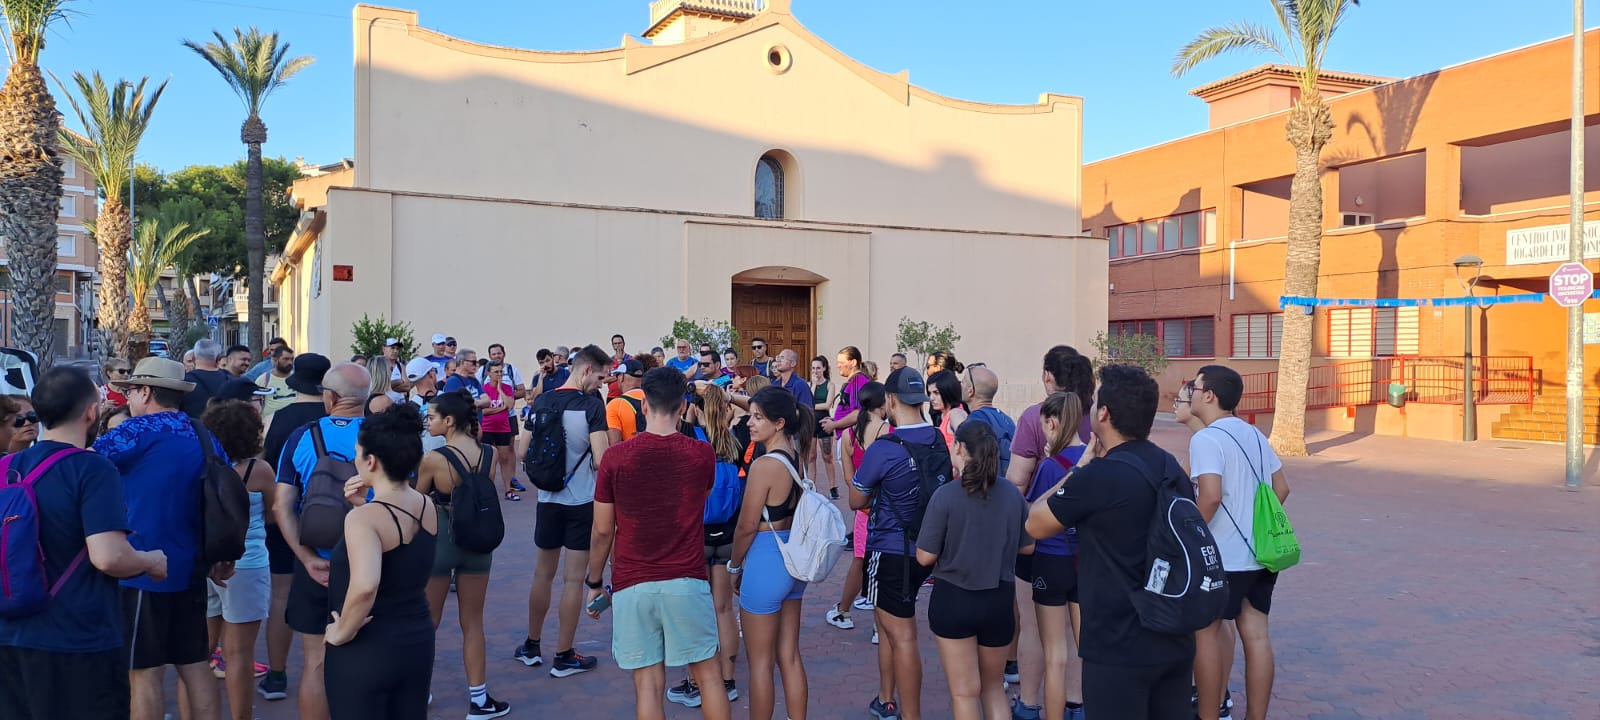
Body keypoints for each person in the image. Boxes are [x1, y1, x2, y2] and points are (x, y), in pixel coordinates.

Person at [1026, 364, 1194, 718]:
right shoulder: (1169, 466)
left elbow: (1036, 523)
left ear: (1103, 413)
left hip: (1117, 642)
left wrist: (1078, 469)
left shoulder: (1100, 474)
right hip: (1173, 631)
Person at [0, 367, 167, 720]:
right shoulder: (92, 469)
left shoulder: (7, 467)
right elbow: (108, 557)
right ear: (91, 413)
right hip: (78, 638)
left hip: (11, 635)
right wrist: (150, 561)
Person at [585, 367, 731, 720]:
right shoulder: (701, 454)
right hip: (687, 578)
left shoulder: (615, 459)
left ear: (644, 406)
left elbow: (603, 530)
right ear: (682, 406)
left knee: (648, 685)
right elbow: (702, 498)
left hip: (633, 582)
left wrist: (593, 583)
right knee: (709, 677)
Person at [94, 356, 223, 720]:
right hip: (192, 566)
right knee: (195, 665)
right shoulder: (202, 434)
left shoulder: (135, 431)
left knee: (144, 674)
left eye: (131, 390)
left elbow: (85, 465)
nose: (128, 398)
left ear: (146, 391)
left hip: (141, 568)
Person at [322, 405, 438, 720]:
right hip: (416, 641)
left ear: (371, 461)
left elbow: (365, 585)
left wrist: (341, 632)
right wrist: (365, 503)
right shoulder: (425, 504)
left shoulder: (364, 519)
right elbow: (400, 551)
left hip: (368, 649)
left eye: (357, 453)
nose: (354, 460)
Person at [1188, 366, 1290, 720]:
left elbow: (1210, 496)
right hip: (1261, 554)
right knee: (1257, 637)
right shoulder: (1255, 435)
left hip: (1222, 558)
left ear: (1210, 395)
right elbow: (1281, 488)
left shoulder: (1206, 439)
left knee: (1207, 635)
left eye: (1194, 386)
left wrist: (1188, 535)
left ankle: (1208, 714)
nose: (1190, 392)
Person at [273, 363, 373, 720]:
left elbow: (281, 504)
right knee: (370, 662)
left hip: (318, 561)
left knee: (316, 663)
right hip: (374, 564)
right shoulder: (386, 436)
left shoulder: (302, 436)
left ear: (329, 398)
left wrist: (305, 558)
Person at [916, 421, 1032, 720]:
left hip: (954, 600)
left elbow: (925, 556)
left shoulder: (946, 495)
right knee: (993, 688)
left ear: (959, 448)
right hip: (998, 599)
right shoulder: (1011, 494)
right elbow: (1028, 547)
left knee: (964, 692)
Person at [850, 367, 944, 720]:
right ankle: (884, 696)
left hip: (889, 549)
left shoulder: (885, 447)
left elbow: (856, 500)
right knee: (887, 626)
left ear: (890, 400)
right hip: (926, 545)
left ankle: (908, 713)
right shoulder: (937, 438)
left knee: (901, 634)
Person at [515, 345, 612, 676]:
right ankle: (564, 654)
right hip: (580, 500)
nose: (602, 384)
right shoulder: (591, 406)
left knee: (542, 574)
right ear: (586, 370)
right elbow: (602, 458)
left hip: (547, 499)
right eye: (600, 376)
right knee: (573, 580)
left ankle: (531, 644)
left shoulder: (542, 400)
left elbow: (522, 450)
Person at [415, 391, 509, 719]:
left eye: (432, 417)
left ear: (449, 420)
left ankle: (417, 691)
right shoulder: (489, 454)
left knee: (429, 621)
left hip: (442, 541)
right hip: (478, 544)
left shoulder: (434, 459)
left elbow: (416, 499)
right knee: (473, 622)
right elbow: (482, 490)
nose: (428, 422)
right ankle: (479, 698)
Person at [729, 386, 814, 720]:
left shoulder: (764, 465)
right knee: (789, 656)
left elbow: (746, 526)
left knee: (760, 665)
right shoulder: (796, 457)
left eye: (758, 417)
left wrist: (735, 566)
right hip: (793, 558)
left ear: (779, 423)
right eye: (750, 415)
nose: (750, 422)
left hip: (766, 559)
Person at [256, 352, 331, 702]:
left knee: (281, 596)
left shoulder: (280, 419)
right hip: (335, 522)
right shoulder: (338, 417)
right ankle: (330, 669)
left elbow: (266, 465)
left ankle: (277, 674)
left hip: (286, 520)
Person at [666, 384, 744, 708]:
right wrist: (725, 397)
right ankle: (727, 680)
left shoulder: (688, 439)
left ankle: (694, 682)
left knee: (695, 610)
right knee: (724, 609)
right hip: (727, 536)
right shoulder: (736, 441)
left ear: (694, 409)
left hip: (695, 535)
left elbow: (674, 416)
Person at [200, 400, 279, 720]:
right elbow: (274, 514)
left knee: (198, 653)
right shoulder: (258, 470)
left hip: (205, 562)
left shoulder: (201, 465)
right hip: (246, 564)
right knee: (239, 654)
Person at [1015, 392, 1090, 720]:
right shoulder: (1091, 461)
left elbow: (1033, 514)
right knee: (1084, 648)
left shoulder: (1049, 467)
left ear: (1052, 422)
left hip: (1050, 560)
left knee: (1055, 656)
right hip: (1083, 562)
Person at [825, 381, 886, 634]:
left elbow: (850, 479)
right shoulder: (888, 431)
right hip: (887, 507)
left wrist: (862, 500)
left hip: (864, 507)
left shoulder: (849, 435)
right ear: (884, 404)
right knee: (886, 564)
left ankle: (844, 611)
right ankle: (878, 628)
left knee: (860, 561)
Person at [1008, 346, 1095, 494]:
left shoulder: (1035, 417)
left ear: (1047, 376)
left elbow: (1017, 483)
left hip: (1046, 508)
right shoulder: (1098, 414)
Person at [820, 346, 870, 478]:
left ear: (853, 362)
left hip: (852, 438)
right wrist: (834, 421)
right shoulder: (853, 381)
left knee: (854, 479)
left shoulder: (857, 381)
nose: (838, 366)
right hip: (846, 436)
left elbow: (858, 412)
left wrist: (834, 425)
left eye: (841, 362)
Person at [481, 361, 522, 500]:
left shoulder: (507, 388)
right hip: (487, 428)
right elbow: (484, 411)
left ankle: (508, 489)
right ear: (489, 373)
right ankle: (488, 491)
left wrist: (500, 390)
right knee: (488, 459)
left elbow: (510, 405)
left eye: (500, 372)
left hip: (503, 428)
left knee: (504, 458)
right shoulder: (484, 389)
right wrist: (500, 408)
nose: (499, 375)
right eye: (496, 372)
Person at [807, 356, 837, 496]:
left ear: (824, 368)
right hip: (811, 421)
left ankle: (833, 486)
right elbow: (808, 400)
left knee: (827, 455)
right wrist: (813, 385)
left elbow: (827, 404)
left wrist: (812, 406)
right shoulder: (809, 384)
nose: (815, 371)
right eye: (813, 368)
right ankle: (812, 485)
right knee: (811, 456)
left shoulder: (830, 385)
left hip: (824, 421)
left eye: (818, 368)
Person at [183, 339, 233, 418]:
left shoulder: (184, 381)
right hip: (224, 428)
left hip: (193, 428)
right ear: (218, 358)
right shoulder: (231, 381)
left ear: (193, 357)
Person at [605, 358, 650, 444]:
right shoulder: (655, 400)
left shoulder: (615, 405)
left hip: (631, 455)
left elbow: (614, 444)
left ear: (621, 377)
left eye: (617, 375)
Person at [928, 370, 967, 451]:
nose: (931, 398)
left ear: (948, 391)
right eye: (930, 393)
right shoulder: (942, 415)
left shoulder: (955, 413)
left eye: (936, 393)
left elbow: (970, 439)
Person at [256, 345, 297, 420]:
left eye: (292, 359)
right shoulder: (264, 380)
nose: (290, 362)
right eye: (286, 359)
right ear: (275, 360)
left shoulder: (297, 378)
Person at [604, 334, 631, 400]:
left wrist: (620, 362)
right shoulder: (609, 362)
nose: (618, 345)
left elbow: (630, 378)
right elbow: (604, 380)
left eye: (619, 343)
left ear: (624, 344)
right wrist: (618, 376)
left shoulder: (630, 359)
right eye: (615, 343)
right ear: (613, 346)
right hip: (612, 396)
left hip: (626, 396)